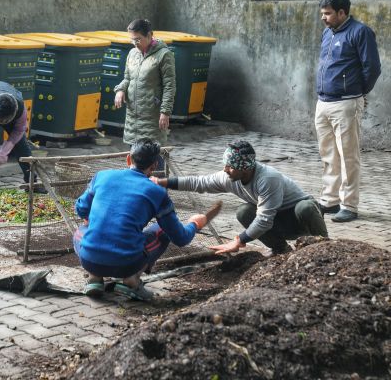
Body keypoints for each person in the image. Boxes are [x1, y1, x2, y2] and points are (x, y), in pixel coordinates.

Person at [73, 138, 207, 301]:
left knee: (80, 231)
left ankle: (94, 277)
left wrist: (91, 219)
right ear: (154, 166)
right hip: (127, 263)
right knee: (163, 230)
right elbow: (180, 238)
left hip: (89, 260)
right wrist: (195, 224)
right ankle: (131, 280)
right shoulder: (157, 192)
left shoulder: (102, 176)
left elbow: (81, 209)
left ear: (128, 158)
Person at [152, 140, 328, 256]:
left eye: (230, 166)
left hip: (299, 218)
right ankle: (281, 250)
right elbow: (199, 182)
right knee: (244, 212)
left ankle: (326, 248)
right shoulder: (229, 176)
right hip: (278, 220)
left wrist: (239, 240)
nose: (225, 169)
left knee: (305, 207)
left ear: (245, 168)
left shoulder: (268, 179)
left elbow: (264, 220)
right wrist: (162, 182)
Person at [315, 0, 381, 222]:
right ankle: (330, 201)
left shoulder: (360, 32)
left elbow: (372, 68)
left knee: (348, 156)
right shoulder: (327, 32)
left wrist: (358, 92)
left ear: (342, 12)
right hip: (323, 102)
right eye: (322, 13)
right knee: (328, 155)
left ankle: (349, 205)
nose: (323, 18)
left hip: (346, 103)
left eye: (328, 13)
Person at [114, 19, 176, 168]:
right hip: (133, 116)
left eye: (138, 39)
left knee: (154, 156)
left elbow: (170, 86)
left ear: (150, 35)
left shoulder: (163, 55)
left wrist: (165, 111)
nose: (135, 43)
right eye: (132, 40)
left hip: (152, 116)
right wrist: (120, 90)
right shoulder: (132, 54)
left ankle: (159, 187)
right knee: (135, 159)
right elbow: (128, 78)